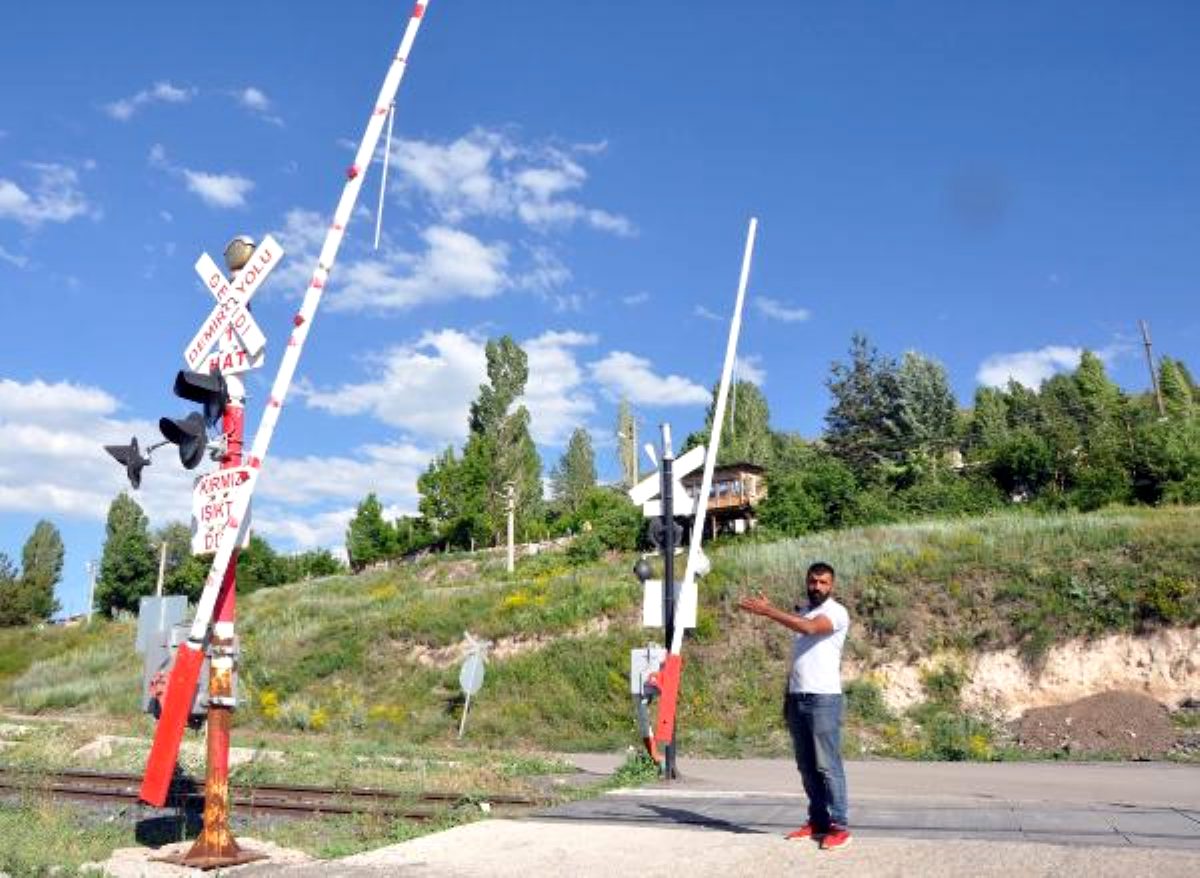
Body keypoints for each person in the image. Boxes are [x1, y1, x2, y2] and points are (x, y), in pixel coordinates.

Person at [737, 561, 851, 851]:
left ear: (832, 585)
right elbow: (801, 654)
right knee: (806, 766)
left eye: (823, 582)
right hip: (798, 697)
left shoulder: (835, 613)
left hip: (823, 699)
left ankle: (839, 826)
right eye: (813, 581)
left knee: (828, 766)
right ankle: (817, 821)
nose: (817, 587)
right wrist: (788, 696)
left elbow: (811, 629)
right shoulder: (804, 610)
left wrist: (769, 611)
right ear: (807, 581)